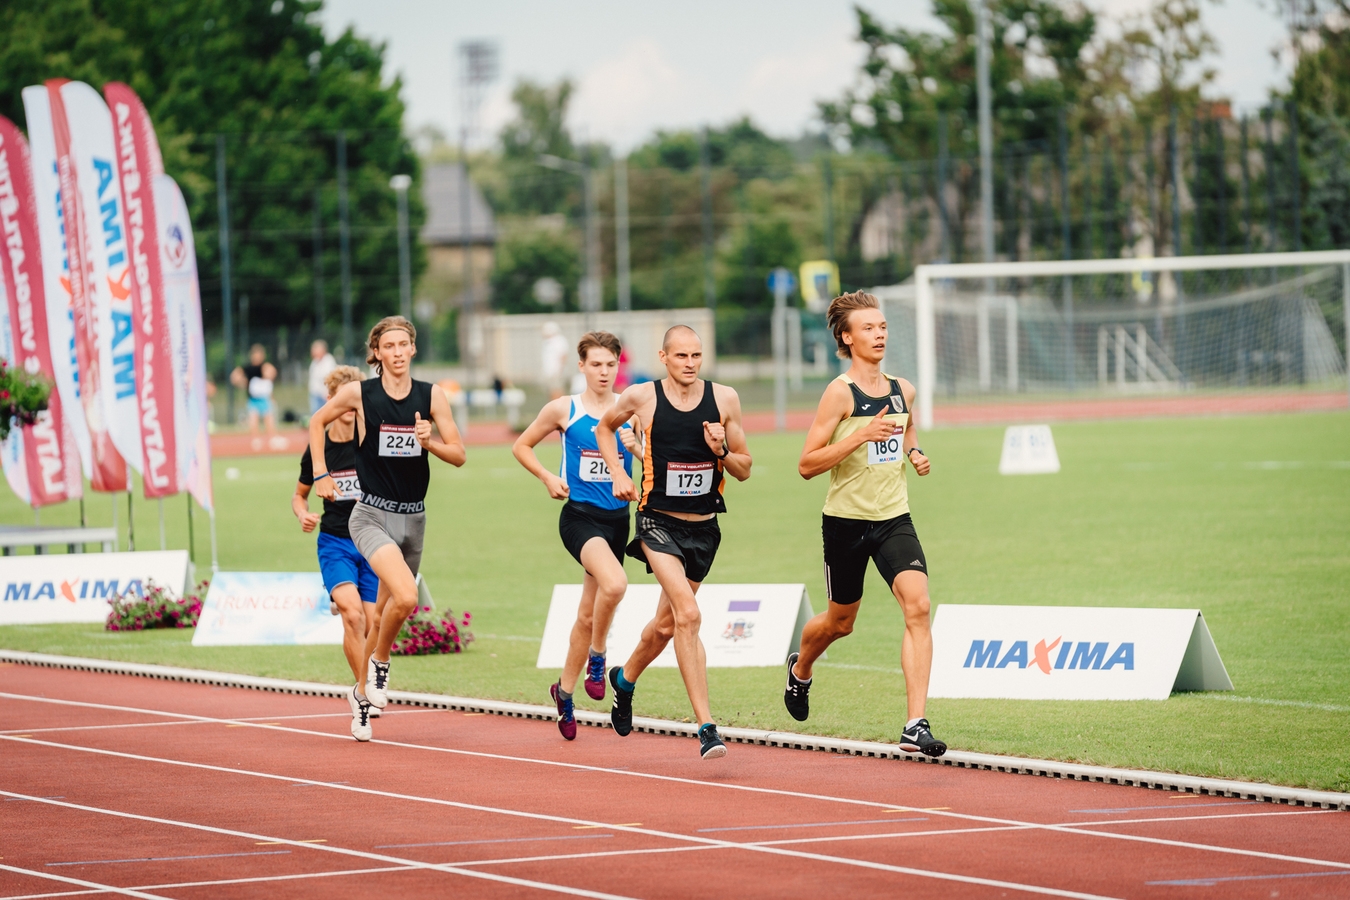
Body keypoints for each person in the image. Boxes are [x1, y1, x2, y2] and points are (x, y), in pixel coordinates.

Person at [786, 291, 945, 758]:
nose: (879, 335)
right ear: (846, 337)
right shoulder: (839, 393)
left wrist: (912, 449)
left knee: (918, 606)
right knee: (840, 623)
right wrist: (860, 435)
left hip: (894, 517)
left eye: (883, 327)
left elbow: (906, 423)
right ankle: (800, 668)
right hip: (845, 523)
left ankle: (915, 723)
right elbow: (807, 465)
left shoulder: (903, 388)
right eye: (869, 329)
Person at [597, 325, 752, 760]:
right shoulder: (641, 397)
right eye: (681, 356)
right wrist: (617, 472)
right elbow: (604, 430)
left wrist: (721, 451)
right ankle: (706, 727)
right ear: (664, 357)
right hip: (656, 522)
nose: (689, 363)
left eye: (696, 356)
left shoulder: (725, 399)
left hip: (704, 529)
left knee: (666, 627)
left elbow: (744, 469)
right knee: (688, 614)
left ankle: (624, 681)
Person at [310, 316, 466, 741]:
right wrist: (321, 473)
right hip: (371, 514)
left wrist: (428, 440)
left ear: (413, 349)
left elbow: (459, 455)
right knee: (407, 595)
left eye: (404, 344)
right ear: (376, 352)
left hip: (414, 517)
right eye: (388, 346)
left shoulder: (432, 396)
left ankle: (360, 696)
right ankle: (379, 664)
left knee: (381, 615)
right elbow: (316, 422)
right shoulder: (360, 393)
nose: (397, 352)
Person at [513, 332, 639, 740]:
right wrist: (547, 475)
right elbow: (522, 446)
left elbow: (648, 454)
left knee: (588, 613)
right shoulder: (563, 409)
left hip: (618, 520)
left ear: (618, 366)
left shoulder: (630, 410)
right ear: (581, 366)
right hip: (580, 519)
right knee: (616, 584)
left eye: (610, 364)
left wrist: (637, 451)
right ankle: (598, 656)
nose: (604, 372)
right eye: (596, 364)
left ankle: (563, 693)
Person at [293, 365, 380, 704]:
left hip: (373, 540)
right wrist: (303, 514)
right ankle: (364, 693)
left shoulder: (371, 443)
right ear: (331, 401)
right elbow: (298, 494)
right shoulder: (319, 450)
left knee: (374, 626)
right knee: (353, 616)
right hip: (336, 542)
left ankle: (372, 680)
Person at [230, 344, 279, 449]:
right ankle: (256, 440)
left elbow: (273, 373)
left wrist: (267, 376)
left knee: (268, 419)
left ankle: (272, 439)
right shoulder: (247, 368)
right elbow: (234, 377)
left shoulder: (264, 367)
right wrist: (242, 382)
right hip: (253, 399)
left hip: (264, 399)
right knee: (253, 420)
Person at [540, 322, 570, 400]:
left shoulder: (559, 340)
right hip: (549, 372)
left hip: (556, 371)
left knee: (557, 390)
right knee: (551, 390)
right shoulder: (547, 342)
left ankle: (560, 408)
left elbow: (563, 356)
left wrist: (559, 369)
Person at [308, 340, 338, 416]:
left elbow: (330, 378)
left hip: (325, 394)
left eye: (315, 350)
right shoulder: (314, 362)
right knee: (315, 414)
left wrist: (328, 391)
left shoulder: (329, 361)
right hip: (315, 393)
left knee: (326, 415)